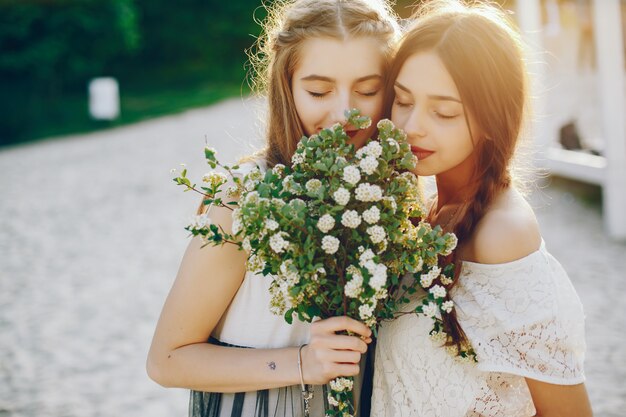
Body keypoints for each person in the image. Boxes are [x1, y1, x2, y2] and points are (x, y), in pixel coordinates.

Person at [146, 1, 399, 416]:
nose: (344, 112)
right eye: (319, 91)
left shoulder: (395, 200)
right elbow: (166, 359)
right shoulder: (245, 198)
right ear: (287, 87)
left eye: (368, 90)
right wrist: (301, 362)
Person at [371, 1, 593, 416]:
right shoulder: (425, 209)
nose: (411, 125)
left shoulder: (501, 235)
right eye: (402, 100)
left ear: (492, 117)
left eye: (444, 111)